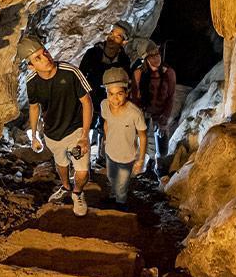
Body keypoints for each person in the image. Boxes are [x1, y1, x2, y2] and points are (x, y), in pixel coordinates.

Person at [19, 36, 93, 216]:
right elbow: (34, 107)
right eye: (37, 58)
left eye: (44, 52)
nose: (45, 58)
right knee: (61, 164)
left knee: (82, 170)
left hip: (75, 130)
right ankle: (66, 187)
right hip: (52, 133)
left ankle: (77, 193)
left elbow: (87, 103)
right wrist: (35, 135)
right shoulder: (32, 82)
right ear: (31, 66)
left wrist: (84, 136)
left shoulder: (70, 72)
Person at [78, 21, 132, 164]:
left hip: (110, 101)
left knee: (107, 127)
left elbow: (125, 82)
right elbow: (81, 75)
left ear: (124, 42)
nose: (112, 37)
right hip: (90, 98)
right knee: (86, 127)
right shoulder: (92, 53)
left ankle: (103, 158)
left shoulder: (124, 60)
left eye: (118, 36)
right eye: (111, 33)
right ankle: (84, 160)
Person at [99, 68, 147, 208]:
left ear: (127, 92)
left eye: (119, 94)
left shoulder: (134, 113)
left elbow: (142, 136)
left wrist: (141, 159)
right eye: (111, 94)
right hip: (110, 152)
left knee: (122, 184)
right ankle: (114, 196)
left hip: (127, 157)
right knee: (111, 177)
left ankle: (120, 205)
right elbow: (106, 122)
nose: (115, 99)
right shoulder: (104, 106)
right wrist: (106, 140)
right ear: (106, 93)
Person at [131, 40, 177, 173]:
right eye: (152, 55)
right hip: (144, 110)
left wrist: (165, 117)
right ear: (145, 59)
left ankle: (159, 166)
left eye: (157, 54)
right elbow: (135, 97)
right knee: (141, 137)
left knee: (162, 140)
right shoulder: (139, 73)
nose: (156, 58)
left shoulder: (168, 72)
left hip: (160, 110)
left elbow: (171, 96)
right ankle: (141, 164)